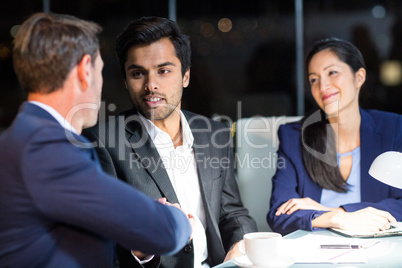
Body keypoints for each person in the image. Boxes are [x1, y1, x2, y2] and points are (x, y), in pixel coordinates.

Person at [0, 12, 192, 268]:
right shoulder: (44, 148)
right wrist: (175, 217)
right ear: (84, 71)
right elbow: (165, 231)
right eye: (101, 71)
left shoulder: (26, 137)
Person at [83, 16, 257, 268]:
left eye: (163, 71)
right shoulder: (103, 143)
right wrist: (140, 252)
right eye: (137, 73)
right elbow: (101, 246)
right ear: (125, 81)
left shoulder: (215, 133)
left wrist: (240, 247)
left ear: (185, 76)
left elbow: (232, 213)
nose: (150, 85)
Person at [267, 37, 402, 235]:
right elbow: (279, 214)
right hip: (316, 252)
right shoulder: (294, 136)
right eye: (314, 79)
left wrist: (335, 210)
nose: (322, 87)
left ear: (359, 77)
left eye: (332, 73)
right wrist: (336, 218)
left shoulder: (394, 127)